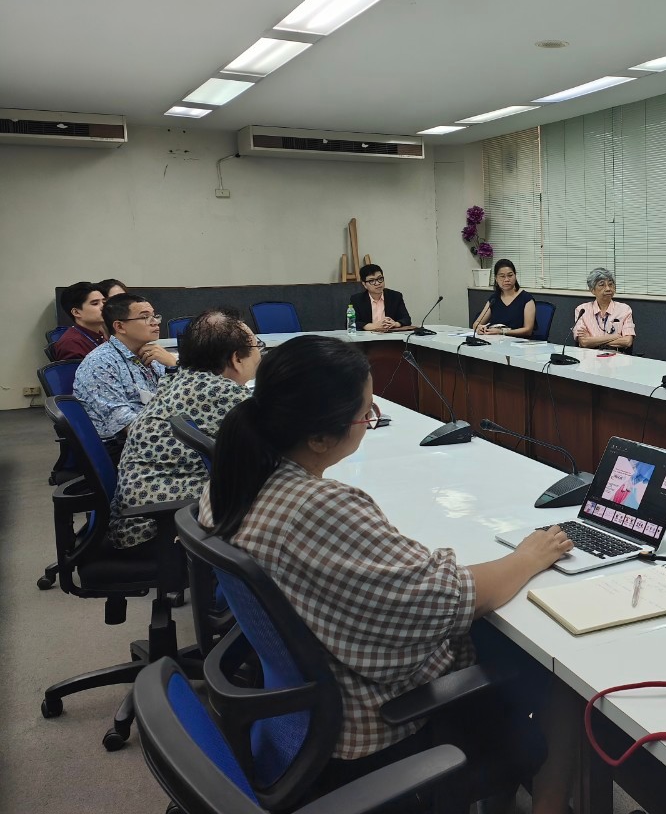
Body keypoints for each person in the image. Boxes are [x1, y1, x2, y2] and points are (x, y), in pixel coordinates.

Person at [198, 336, 576, 810]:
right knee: (557, 669)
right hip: (371, 728)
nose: (370, 421)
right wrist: (529, 556)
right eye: (366, 414)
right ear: (319, 438)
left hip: (304, 709)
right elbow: (452, 597)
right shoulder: (319, 508)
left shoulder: (234, 478)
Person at [111, 309, 262, 550]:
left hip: (140, 514)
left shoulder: (182, 378)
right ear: (236, 359)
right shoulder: (225, 394)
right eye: (257, 346)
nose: (260, 353)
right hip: (161, 528)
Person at [73, 293, 178, 458]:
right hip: (125, 447)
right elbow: (128, 425)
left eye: (154, 316)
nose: (155, 322)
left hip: (156, 432)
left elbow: (180, 398)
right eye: (145, 317)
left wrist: (174, 365)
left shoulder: (153, 354)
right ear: (120, 326)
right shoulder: (100, 363)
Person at [572, 267, 635, 352]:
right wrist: (614, 336)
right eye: (602, 285)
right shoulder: (582, 310)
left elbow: (627, 341)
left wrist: (593, 341)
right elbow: (584, 342)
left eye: (610, 284)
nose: (608, 289)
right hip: (590, 356)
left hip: (616, 355)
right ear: (592, 290)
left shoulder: (624, 309)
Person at [472, 259, 535, 337]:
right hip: (495, 340)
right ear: (496, 279)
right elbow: (477, 323)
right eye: (502, 276)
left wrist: (502, 332)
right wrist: (479, 328)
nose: (506, 280)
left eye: (510, 275)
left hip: (517, 341)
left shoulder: (526, 298)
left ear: (515, 276)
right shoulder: (494, 299)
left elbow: (528, 330)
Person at [51, 282, 108, 361]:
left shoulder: (99, 334)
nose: (104, 307)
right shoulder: (71, 344)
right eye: (95, 303)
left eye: (104, 302)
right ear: (76, 312)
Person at [350, 263, 413, 333]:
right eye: (372, 281)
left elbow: (406, 319)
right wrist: (373, 326)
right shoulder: (357, 299)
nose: (377, 283)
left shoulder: (395, 296)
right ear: (364, 284)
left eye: (380, 278)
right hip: (367, 337)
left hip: (390, 336)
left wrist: (395, 324)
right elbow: (350, 322)